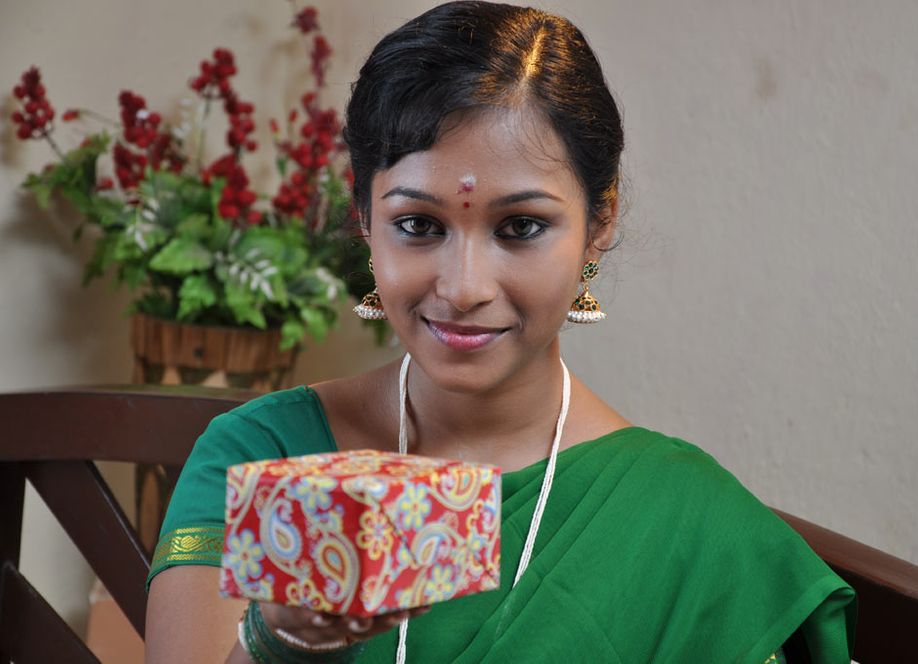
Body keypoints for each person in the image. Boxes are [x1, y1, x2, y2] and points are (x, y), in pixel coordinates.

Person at [145, 2, 856, 662]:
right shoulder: (265, 459)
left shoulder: (688, 526)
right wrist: (281, 637)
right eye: (417, 225)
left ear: (599, 222)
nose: (464, 288)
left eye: (520, 227)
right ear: (364, 217)